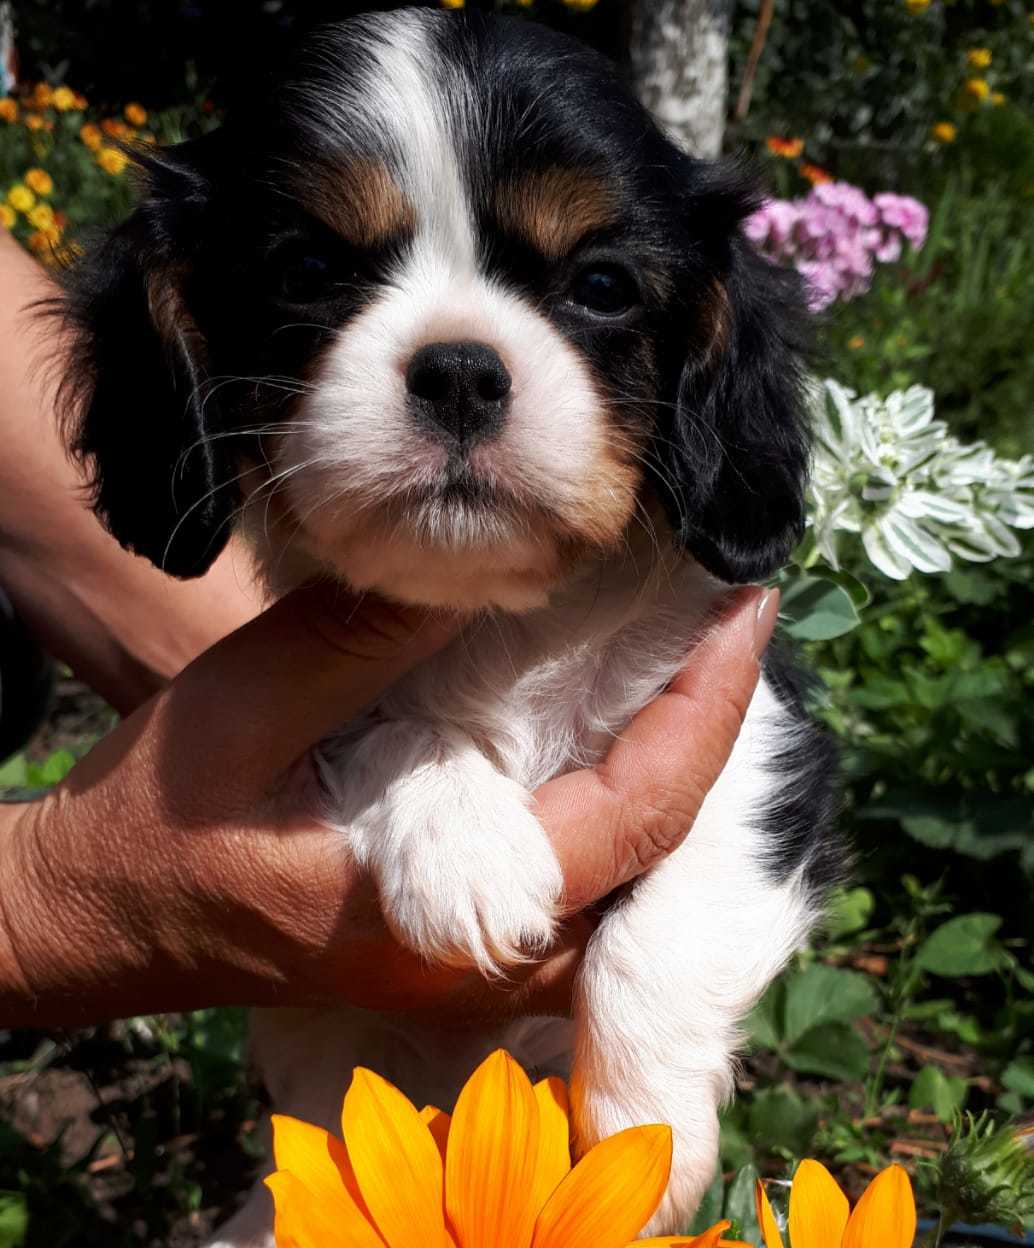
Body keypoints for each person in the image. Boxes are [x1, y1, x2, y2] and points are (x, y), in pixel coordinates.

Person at [0, 228, 778, 1028]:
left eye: (601, 289)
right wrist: (32, 912)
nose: (462, 371)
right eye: (312, 274)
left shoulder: (668, 613)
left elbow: (761, 817)